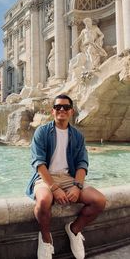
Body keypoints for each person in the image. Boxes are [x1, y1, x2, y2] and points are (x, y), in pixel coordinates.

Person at [26, 94, 106, 259]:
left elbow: (82, 164)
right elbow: (38, 163)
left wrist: (77, 186)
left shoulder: (77, 136)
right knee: (43, 201)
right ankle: (46, 239)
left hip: (69, 179)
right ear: (53, 111)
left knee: (99, 201)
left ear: (71, 112)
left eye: (66, 107)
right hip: (46, 177)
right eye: (58, 107)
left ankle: (74, 230)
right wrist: (54, 188)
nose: (61, 109)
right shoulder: (42, 131)